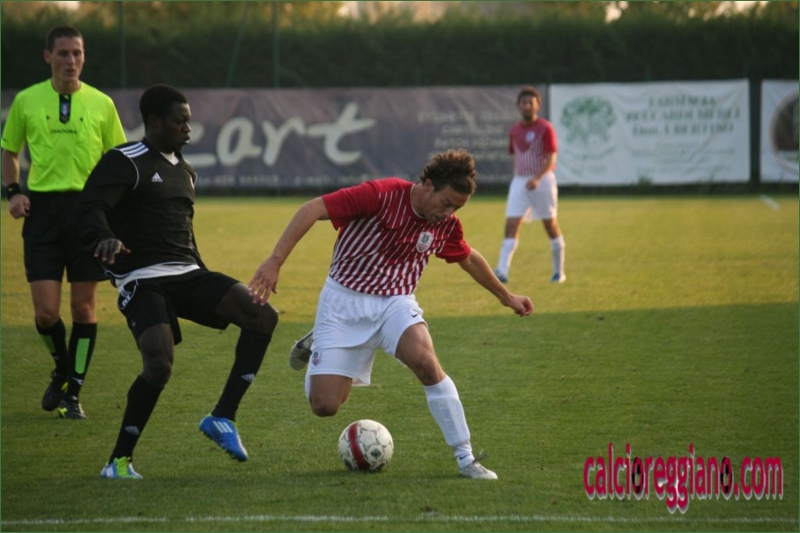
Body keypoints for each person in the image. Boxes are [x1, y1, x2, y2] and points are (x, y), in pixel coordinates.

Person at [249, 149, 533, 480]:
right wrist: (275, 261)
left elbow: (468, 258)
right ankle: (319, 343)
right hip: (343, 303)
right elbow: (313, 208)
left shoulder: (445, 225)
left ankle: (465, 457)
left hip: (395, 303)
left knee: (427, 364)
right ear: (428, 185)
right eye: (446, 203)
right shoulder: (380, 195)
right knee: (325, 406)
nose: (448, 213)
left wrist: (507, 297)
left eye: (456, 208)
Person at [76, 84, 279, 480]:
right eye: (179, 121)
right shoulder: (125, 161)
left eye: (188, 120)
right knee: (159, 364)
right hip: (142, 278)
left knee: (262, 315)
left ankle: (223, 417)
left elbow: (184, 233)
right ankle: (118, 462)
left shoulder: (186, 171)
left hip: (186, 273)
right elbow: (90, 207)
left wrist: (206, 277)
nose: (188, 128)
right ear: (154, 122)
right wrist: (104, 236)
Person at [1, 25, 127, 419]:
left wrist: (113, 210)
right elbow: (9, 151)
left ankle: (74, 392)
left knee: (84, 308)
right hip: (43, 215)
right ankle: (61, 368)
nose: (71, 61)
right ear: (48, 56)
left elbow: (119, 160)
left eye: (77, 53)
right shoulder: (26, 100)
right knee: (46, 313)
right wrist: (14, 191)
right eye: (63, 53)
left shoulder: (102, 103)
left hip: (88, 215)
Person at [494, 86, 566, 284]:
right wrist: (522, 179)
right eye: (524, 102)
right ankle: (502, 270)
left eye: (530, 103)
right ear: (518, 105)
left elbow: (551, 158)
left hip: (543, 180)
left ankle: (559, 272)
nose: (527, 106)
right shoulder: (514, 130)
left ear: (537, 106)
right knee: (511, 224)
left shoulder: (545, 128)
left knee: (550, 225)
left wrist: (537, 177)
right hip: (519, 180)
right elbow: (516, 155)